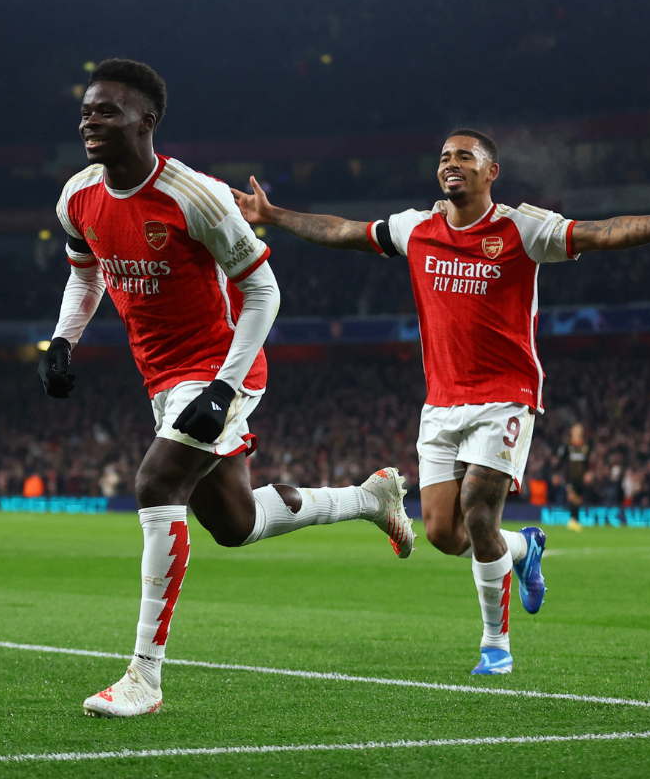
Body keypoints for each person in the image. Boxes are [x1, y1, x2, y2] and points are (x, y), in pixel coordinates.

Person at [233, 129, 650, 675]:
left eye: (464, 157)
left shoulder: (522, 228)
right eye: (445, 157)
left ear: (490, 171)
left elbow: (601, 233)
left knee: (479, 510)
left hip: (506, 396)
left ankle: (495, 646)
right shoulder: (416, 228)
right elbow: (343, 231)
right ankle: (525, 549)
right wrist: (273, 215)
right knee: (444, 535)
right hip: (441, 403)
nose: (451, 164)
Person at [39, 59, 413, 718]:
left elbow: (263, 290)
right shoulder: (77, 197)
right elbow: (85, 272)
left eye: (107, 111)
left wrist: (223, 387)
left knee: (156, 484)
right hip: (162, 379)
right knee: (234, 525)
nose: (89, 122)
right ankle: (368, 497)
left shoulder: (196, 196)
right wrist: (64, 338)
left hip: (221, 370)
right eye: (86, 111)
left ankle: (143, 680)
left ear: (146, 121)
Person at [558, 423, 589, 532]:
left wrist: (588, 473)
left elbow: (587, 463)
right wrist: (559, 474)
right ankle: (572, 520)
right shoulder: (567, 446)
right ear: (572, 431)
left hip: (581, 477)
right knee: (572, 496)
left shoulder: (585, 446)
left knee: (579, 499)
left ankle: (576, 520)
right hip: (570, 477)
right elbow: (562, 462)